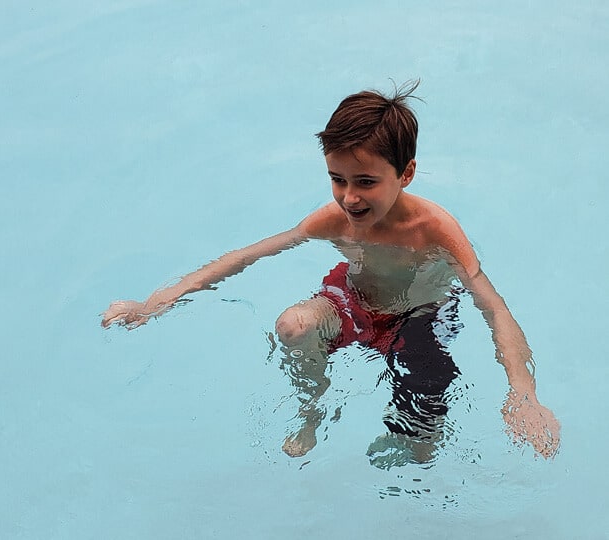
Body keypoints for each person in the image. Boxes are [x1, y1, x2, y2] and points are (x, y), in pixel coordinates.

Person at [101, 81, 560, 461]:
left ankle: (414, 445)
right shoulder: (333, 219)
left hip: (419, 317)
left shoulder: (436, 231)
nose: (349, 198)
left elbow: (493, 306)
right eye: (337, 179)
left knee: (421, 431)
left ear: (407, 174)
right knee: (292, 325)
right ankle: (311, 410)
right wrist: (161, 299)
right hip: (352, 301)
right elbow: (250, 254)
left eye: (366, 182)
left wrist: (524, 394)